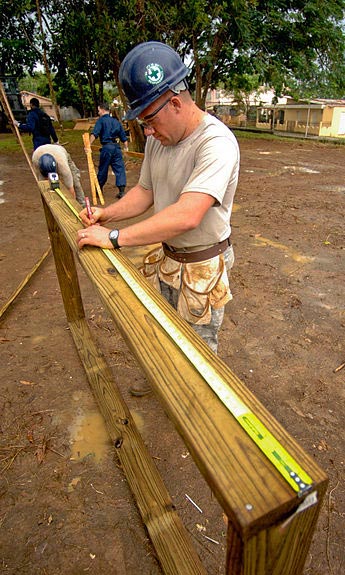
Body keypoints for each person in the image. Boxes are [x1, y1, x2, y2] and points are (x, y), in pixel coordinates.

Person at [77, 41, 239, 393]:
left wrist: (115, 238)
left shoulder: (216, 143)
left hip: (203, 264)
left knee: (200, 350)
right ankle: (166, 381)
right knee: (164, 326)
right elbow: (145, 192)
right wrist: (108, 214)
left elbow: (187, 215)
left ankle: (199, 411)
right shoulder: (159, 139)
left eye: (149, 120)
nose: (146, 131)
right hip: (168, 256)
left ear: (176, 103)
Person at [88, 102, 129, 199]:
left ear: (102, 110)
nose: (98, 113)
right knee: (120, 168)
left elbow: (95, 133)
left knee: (103, 169)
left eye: (98, 110)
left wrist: (88, 145)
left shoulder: (101, 121)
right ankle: (122, 191)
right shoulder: (116, 122)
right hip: (116, 148)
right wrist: (126, 149)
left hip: (107, 148)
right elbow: (124, 138)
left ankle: (99, 189)